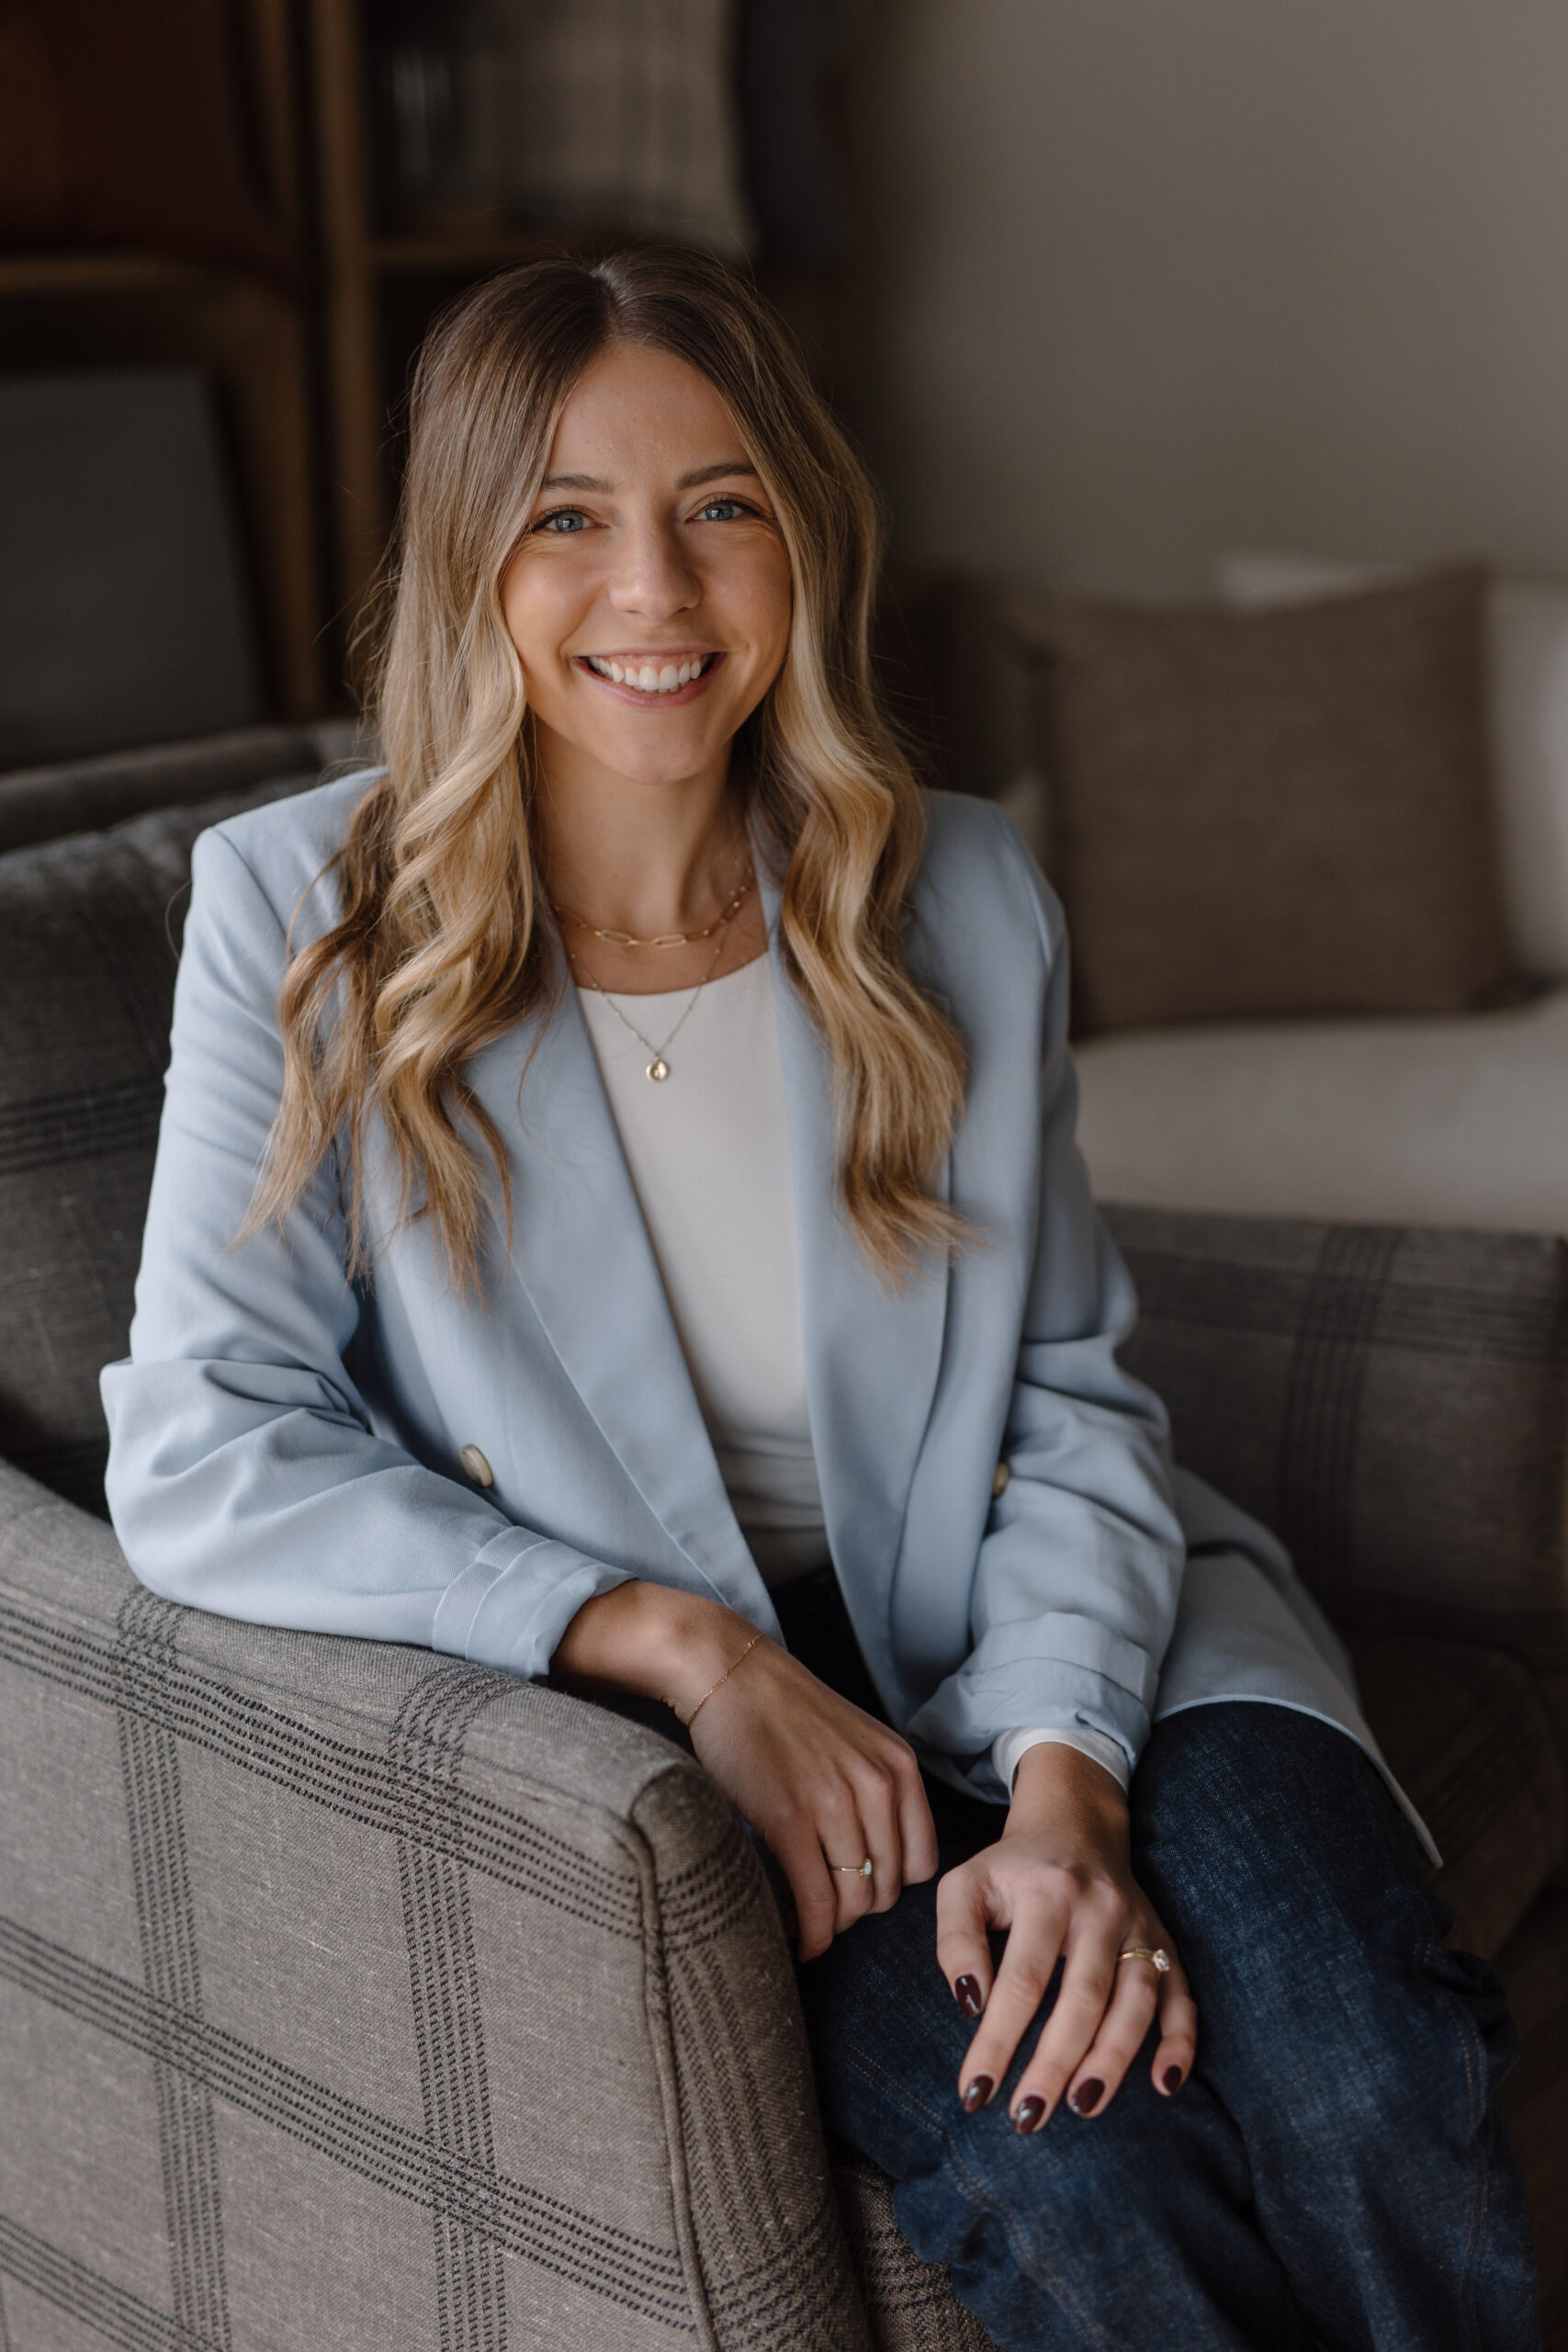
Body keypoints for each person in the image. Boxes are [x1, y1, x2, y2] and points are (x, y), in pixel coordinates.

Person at [101, 247, 1538, 2350]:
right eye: (566, 517)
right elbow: (203, 1441)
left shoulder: (953, 889)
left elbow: (1061, 1395)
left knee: (1365, 2070)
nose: (653, 594)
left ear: (804, 535)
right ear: (464, 563)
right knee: (1074, 2150)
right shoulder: (303, 915)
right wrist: (675, 1647)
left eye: (721, 504)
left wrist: (1066, 1784)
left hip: (1060, 1610)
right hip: (680, 1715)